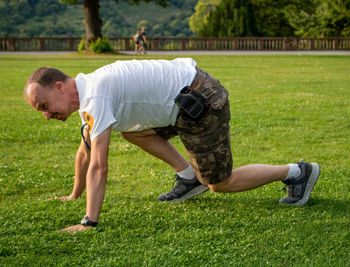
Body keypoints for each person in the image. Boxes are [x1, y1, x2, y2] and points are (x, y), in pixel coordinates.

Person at [24, 58, 321, 233]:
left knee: (220, 183)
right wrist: (74, 194)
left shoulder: (95, 96)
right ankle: (188, 178)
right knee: (132, 131)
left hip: (200, 99)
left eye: (44, 106)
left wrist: (88, 222)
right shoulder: (91, 90)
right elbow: (85, 148)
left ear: (60, 87)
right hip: (181, 99)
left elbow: (100, 166)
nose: (47, 115)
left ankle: (297, 172)